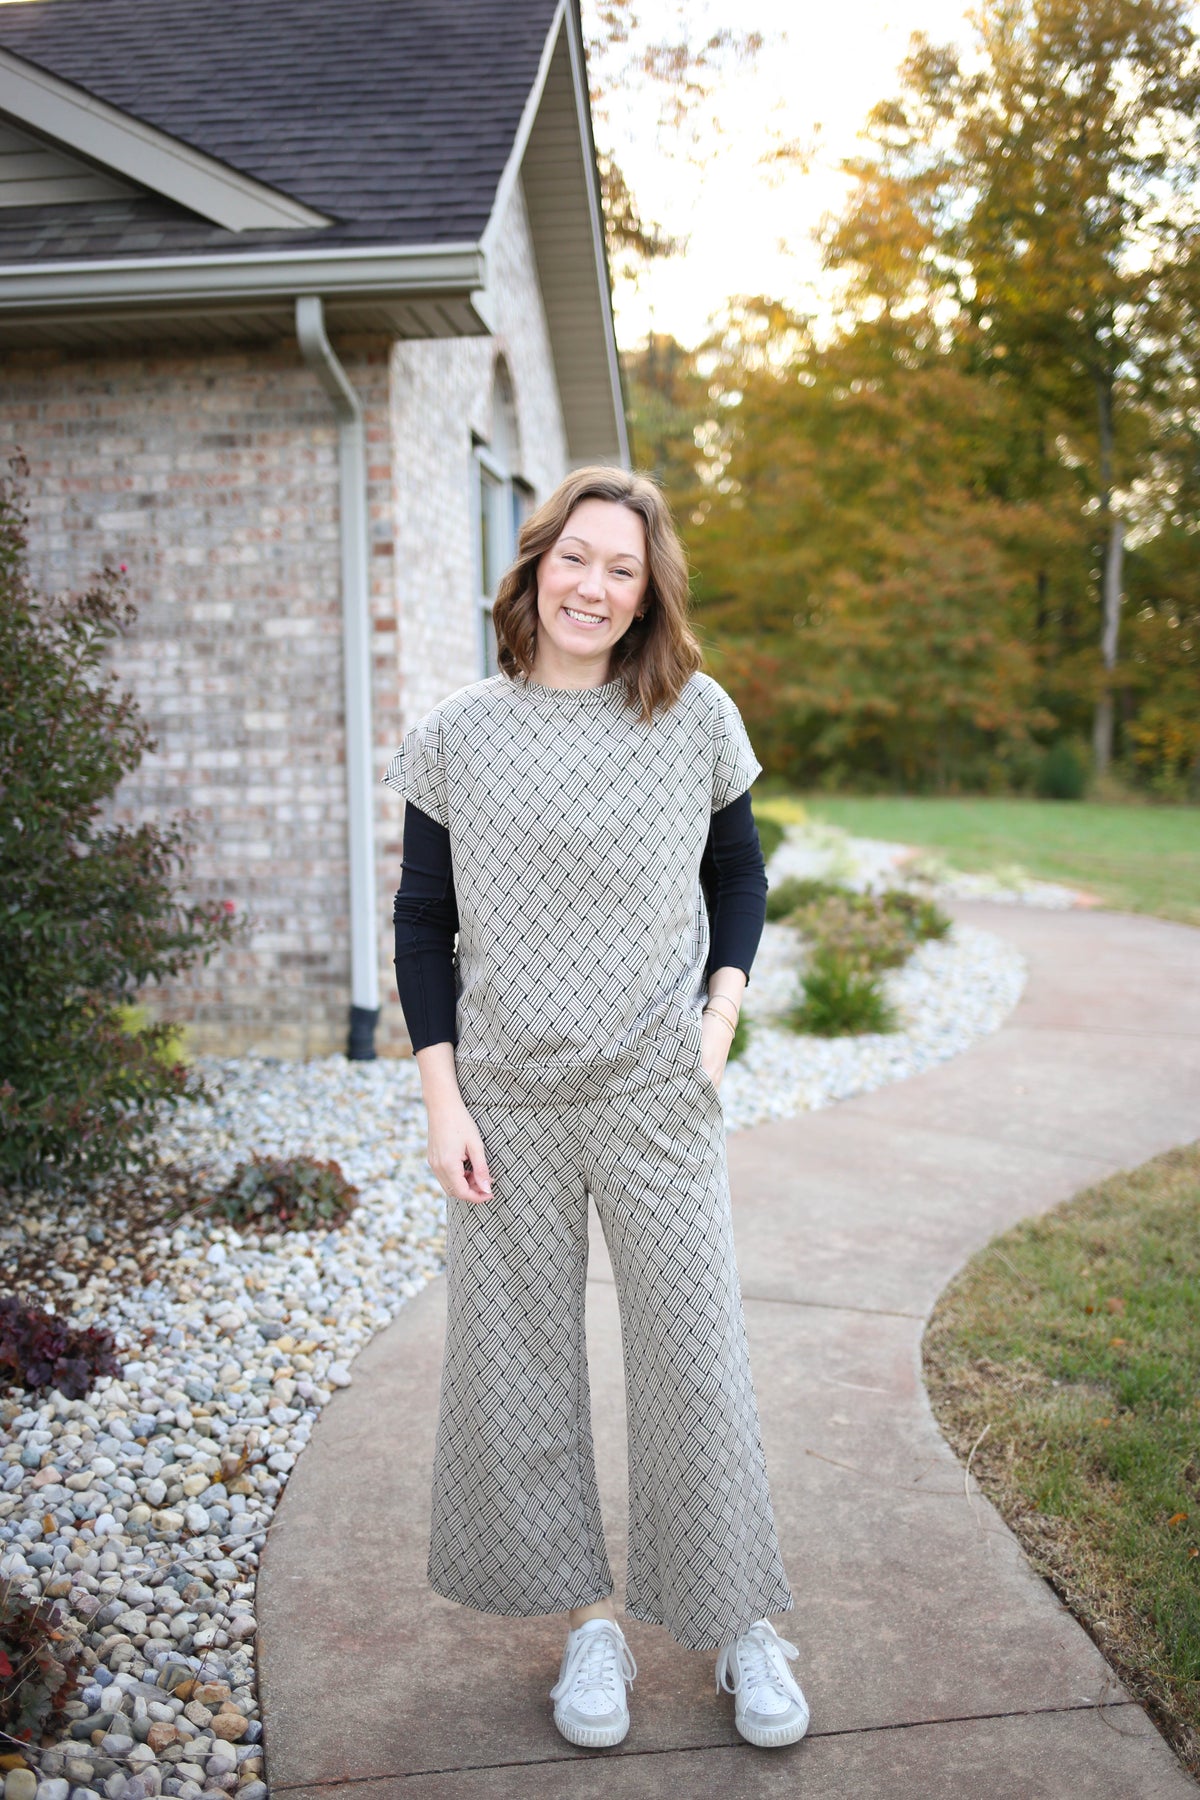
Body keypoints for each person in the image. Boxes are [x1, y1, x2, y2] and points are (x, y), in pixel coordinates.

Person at [382, 465, 808, 1752]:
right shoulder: (459, 731)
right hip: (504, 1100)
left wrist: (716, 1022)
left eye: (623, 570)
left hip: (652, 1094)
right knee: (518, 1376)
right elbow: (421, 924)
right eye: (578, 559)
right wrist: (441, 1103)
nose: (594, 586)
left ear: (646, 594)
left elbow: (740, 876)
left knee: (696, 1356)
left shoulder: (694, 717)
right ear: (537, 567)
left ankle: (744, 1627)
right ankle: (588, 1630)